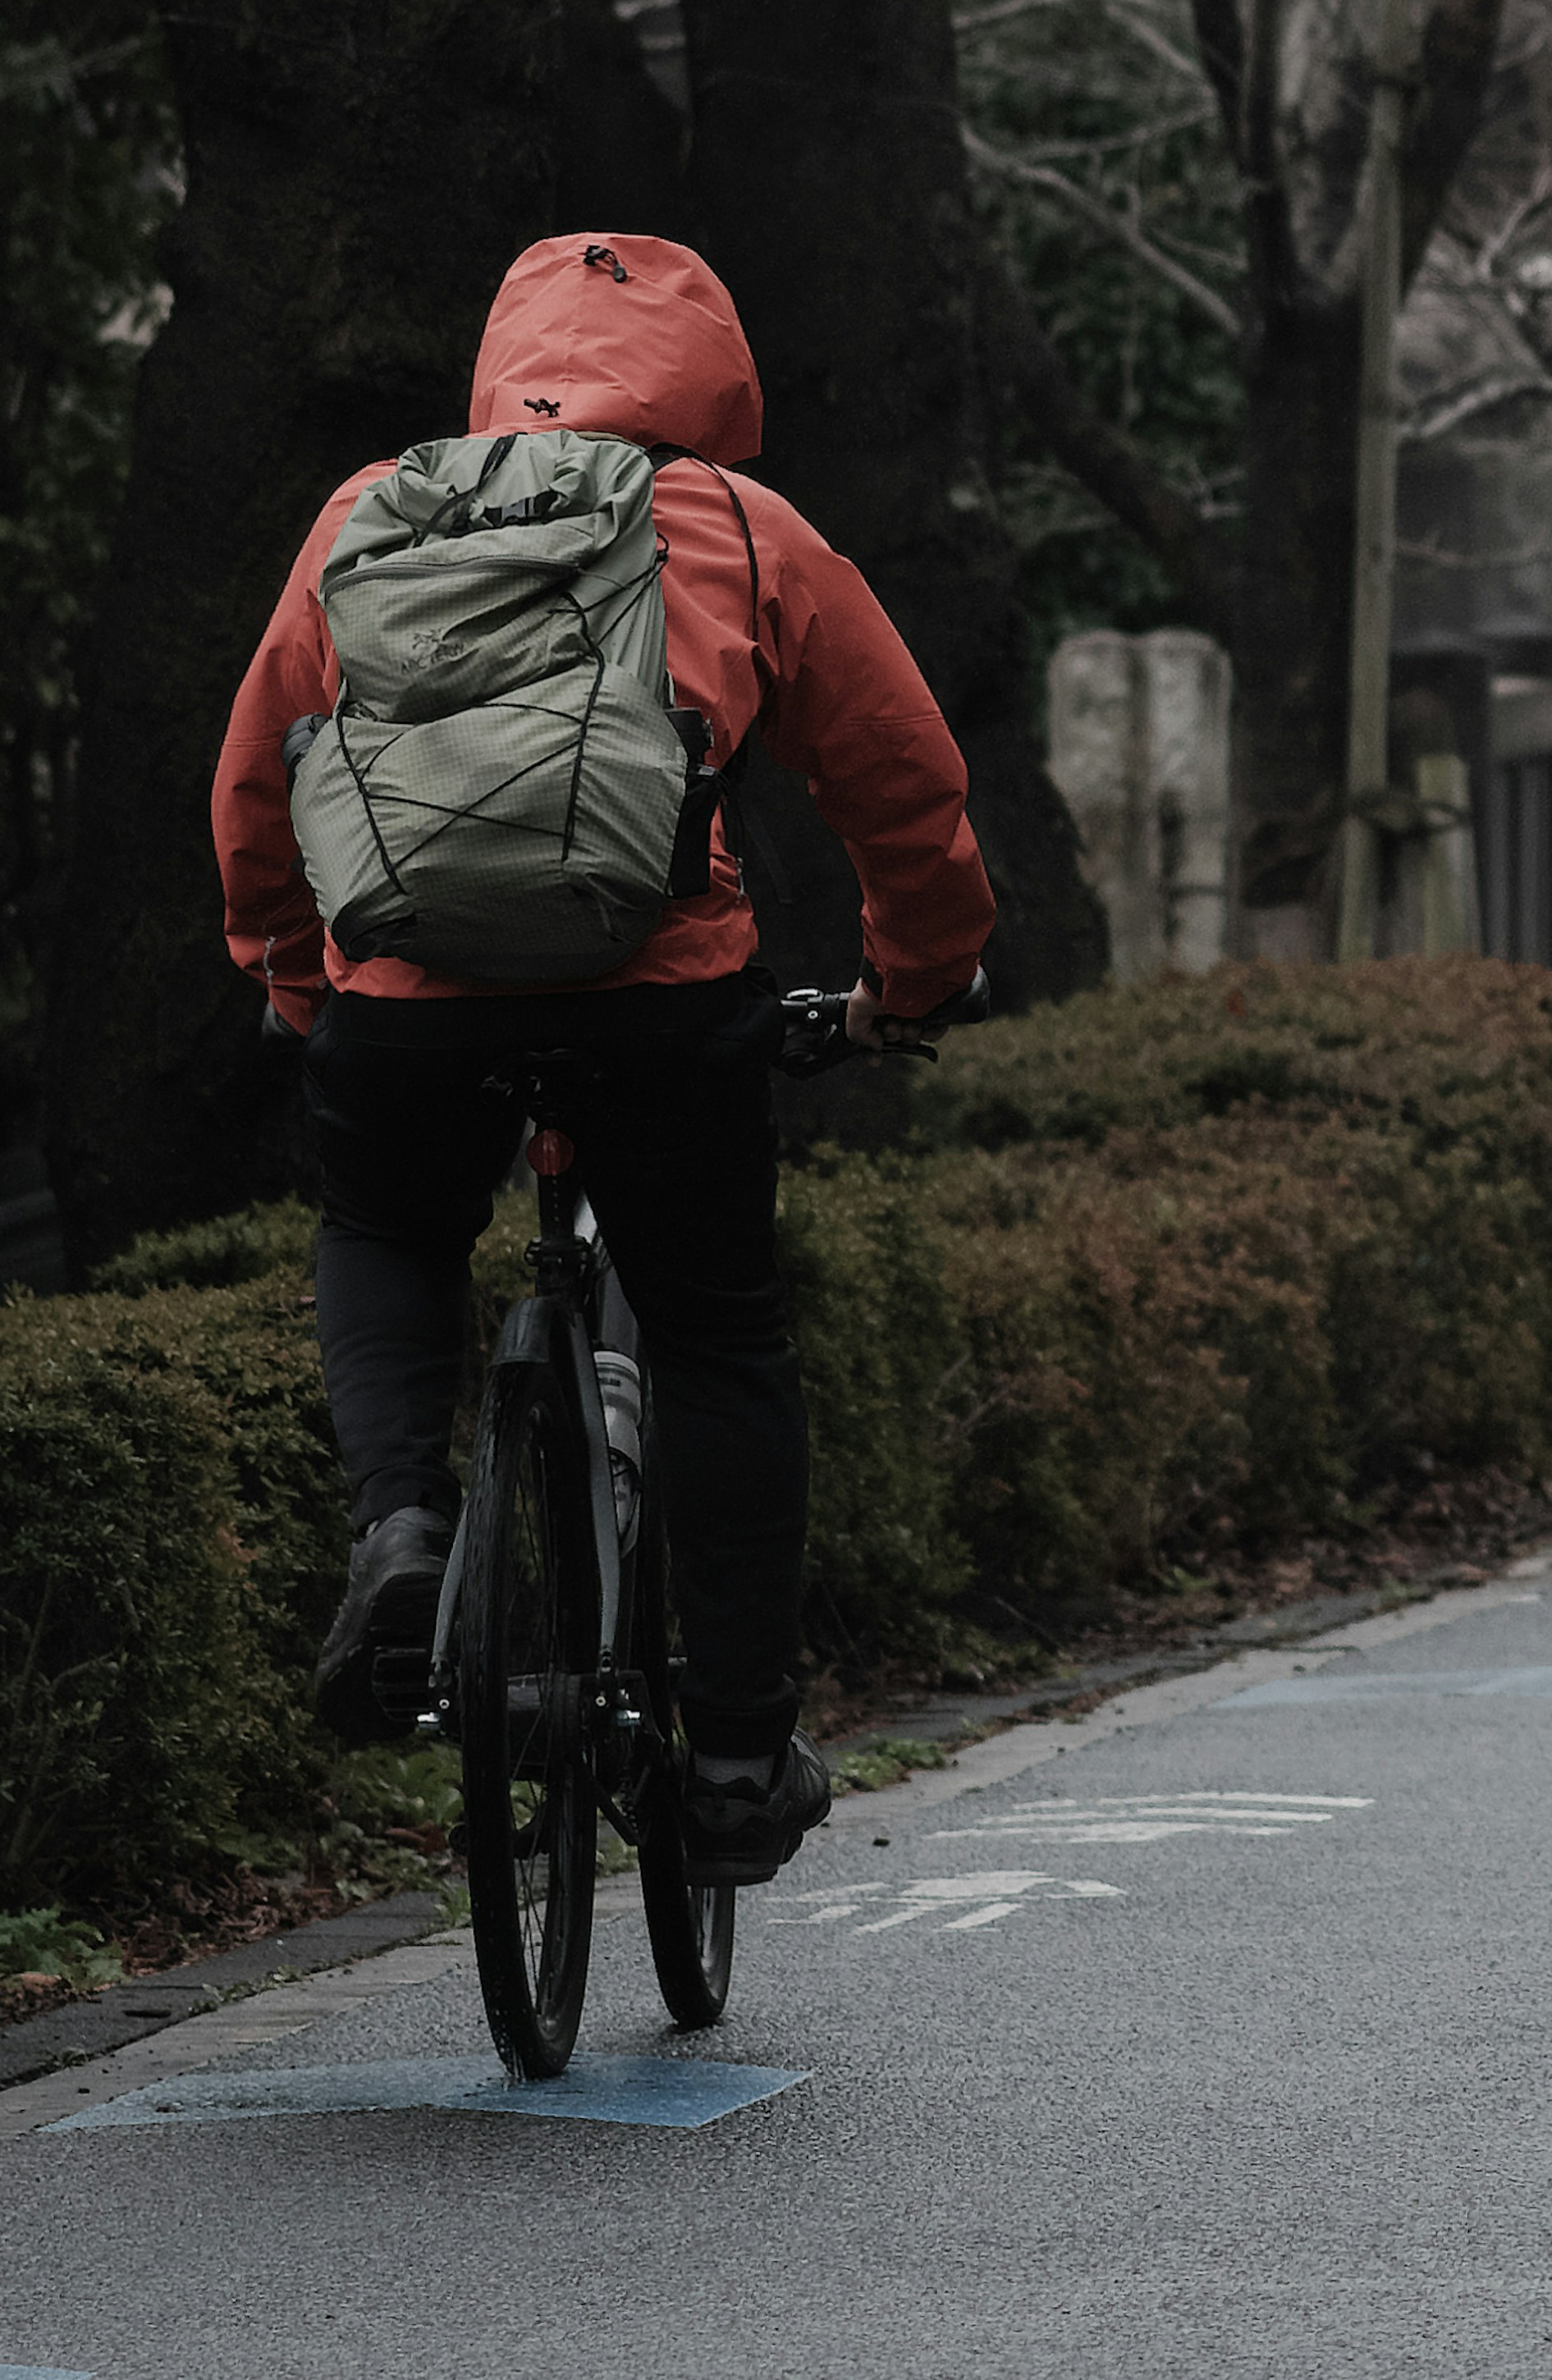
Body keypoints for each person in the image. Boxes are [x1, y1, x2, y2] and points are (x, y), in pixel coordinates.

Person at [211, 229, 993, 1886]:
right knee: (716, 1333)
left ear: (504, 359)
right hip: (662, 1000)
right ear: (715, 378)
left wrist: (302, 988)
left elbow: (257, 792)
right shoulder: (731, 525)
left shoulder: (369, 512)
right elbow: (902, 784)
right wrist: (912, 983)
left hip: (405, 1001)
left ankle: (408, 1526)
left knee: (386, 1229)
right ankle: (727, 1752)